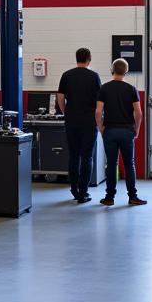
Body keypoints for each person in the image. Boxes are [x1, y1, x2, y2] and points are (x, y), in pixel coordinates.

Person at [95, 58, 147, 207]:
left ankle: (109, 197)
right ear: (126, 71)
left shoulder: (104, 88)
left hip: (109, 131)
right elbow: (139, 113)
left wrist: (101, 128)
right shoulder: (131, 89)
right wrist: (136, 129)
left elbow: (98, 112)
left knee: (111, 164)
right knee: (129, 164)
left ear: (112, 70)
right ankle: (133, 197)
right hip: (126, 131)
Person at [56, 48, 102, 204]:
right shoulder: (94, 77)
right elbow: (99, 102)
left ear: (76, 58)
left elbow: (60, 97)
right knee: (87, 156)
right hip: (89, 122)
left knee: (74, 155)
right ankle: (83, 192)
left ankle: (74, 190)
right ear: (89, 59)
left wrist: (65, 112)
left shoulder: (66, 75)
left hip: (72, 121)